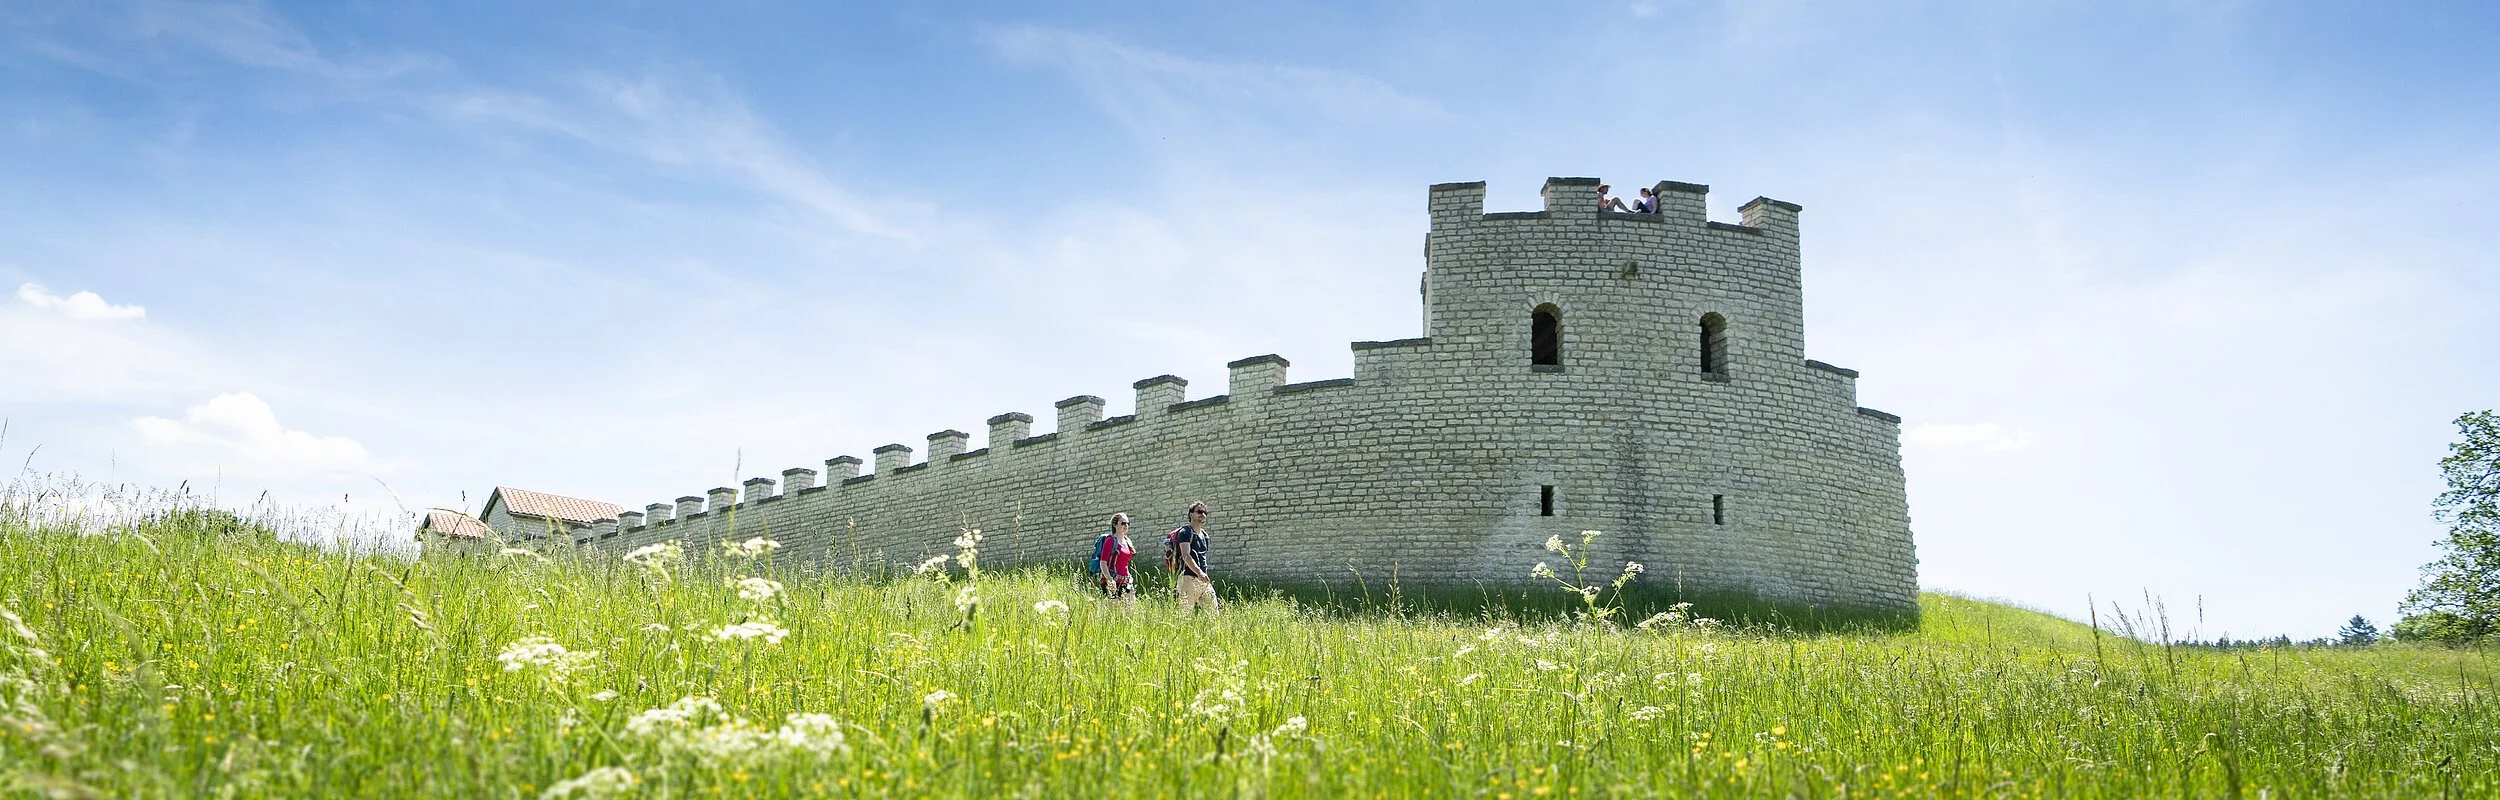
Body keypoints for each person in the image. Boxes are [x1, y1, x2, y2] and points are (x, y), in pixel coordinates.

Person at [1168, 502, 1218, 613]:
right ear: (1191, 514)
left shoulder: (1205, 535)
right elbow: (1186, 555)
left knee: (1214, 615)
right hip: (1188, 578)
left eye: (1205, 512)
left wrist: (1202, 575)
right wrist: (1200, 573)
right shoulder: (1185, 532)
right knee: (1185, 615)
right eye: (1199, 512)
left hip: (1203, 580)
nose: (1203, 514)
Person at [1094, 513, 1136, 599]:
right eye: (1123, 523)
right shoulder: (1110, 540)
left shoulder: (1128, 541)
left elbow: (1125, 562)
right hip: (1112, 580)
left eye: (1128, 523)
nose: (1126, 525)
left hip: (1126, 580)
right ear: (1114, 524)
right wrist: (1110, 580)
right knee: (1114, 611)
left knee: (1131, 609)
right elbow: (1103, 562)